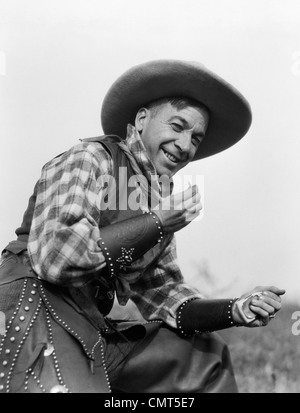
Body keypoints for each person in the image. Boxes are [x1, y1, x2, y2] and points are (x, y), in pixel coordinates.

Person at [0, 59, 285, 393]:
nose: (185, 145)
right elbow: (57, 260)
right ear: (142, 119)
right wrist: (156, 223)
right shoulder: (90, 159)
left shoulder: (159, 199)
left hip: (89, 326)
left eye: (196, 138)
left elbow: (162, 293)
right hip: (33, 309)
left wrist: (234, 309)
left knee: (206, 359)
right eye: (178, 126)